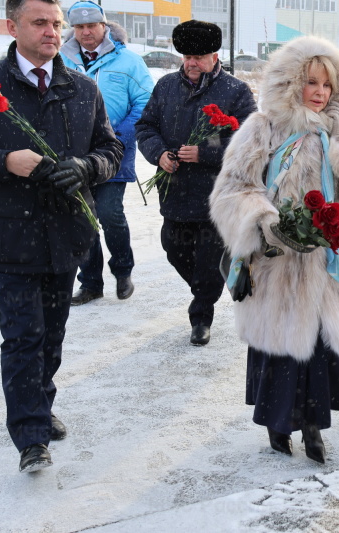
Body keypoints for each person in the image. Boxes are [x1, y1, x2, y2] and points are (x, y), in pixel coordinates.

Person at [210, 36, 339, 462]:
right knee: (281, 348)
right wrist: (265, 223)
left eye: (329, 84)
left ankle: (313, 428)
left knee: (321, 349)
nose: (321, 93)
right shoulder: (261, 128)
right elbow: (231, 190)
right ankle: (277, 423)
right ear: (291, 84)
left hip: (326, 260)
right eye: (312, 82)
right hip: (276, 262)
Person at [0, 0, 122, 473]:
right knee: (23, 337)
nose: (51, 32)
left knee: (51, 337)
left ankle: (41, 406)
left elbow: (110, 146)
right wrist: (5, 161)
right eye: (39, 23)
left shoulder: (82, 88)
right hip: (9, 238)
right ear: (13, 26)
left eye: (56, 24)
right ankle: (29, 435)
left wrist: (88, 166)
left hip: (65, 236)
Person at [136, 20, 256, 346]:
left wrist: (204, 152)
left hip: (217, 198)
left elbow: (249, 143)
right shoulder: (165, 87)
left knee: (206, 260)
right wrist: (159, 153)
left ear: (214, 56)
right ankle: (209, 288)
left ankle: (201, 315)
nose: (191, 63)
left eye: (199, 56)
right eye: (187, 56)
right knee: (174, 249)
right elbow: (145, 127)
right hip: (174, 192)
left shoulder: (236, 91)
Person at [60, 1, 154, 305]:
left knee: (110, 212)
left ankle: (123, 270)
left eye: (92, 26)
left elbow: (145, 102)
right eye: (80, 27)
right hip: (73, 154)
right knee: (81, 217)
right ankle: (90, 282)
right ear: (73, 29)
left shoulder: (129, 61)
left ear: (104, 26)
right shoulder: (61, 59)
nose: (86, 32)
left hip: (114, 149)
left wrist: (122, 135)